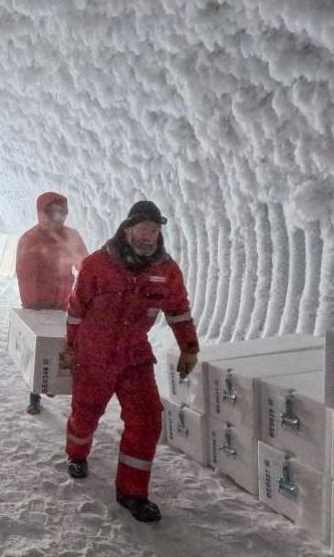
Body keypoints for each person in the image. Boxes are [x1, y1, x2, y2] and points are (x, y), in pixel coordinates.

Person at [63, 200, 200, 522]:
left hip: (134, 356)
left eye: (154, 230)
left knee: (148, 419)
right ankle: (77, 453)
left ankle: (132, 493)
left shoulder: (166, 270)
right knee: (86, 413)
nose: (148, 236)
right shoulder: (97, 265)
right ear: (127, 230)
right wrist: (72, 349)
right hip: (94, 354)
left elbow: (178, 310)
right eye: (142, 229)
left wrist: (189, 347)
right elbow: (76, 309)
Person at [15, 191, 89, 415]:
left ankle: (57, 385)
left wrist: (87, 293)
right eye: (52, 213)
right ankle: (35, 395)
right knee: (39, 349)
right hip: (38, 304)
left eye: (61, 213)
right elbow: (26, 275)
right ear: (42, 214)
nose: (58, 218)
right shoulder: (30, 239)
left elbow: (84, 265)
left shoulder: (71, 236)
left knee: (65, 346)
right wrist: (33, 306)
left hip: (64, 301)